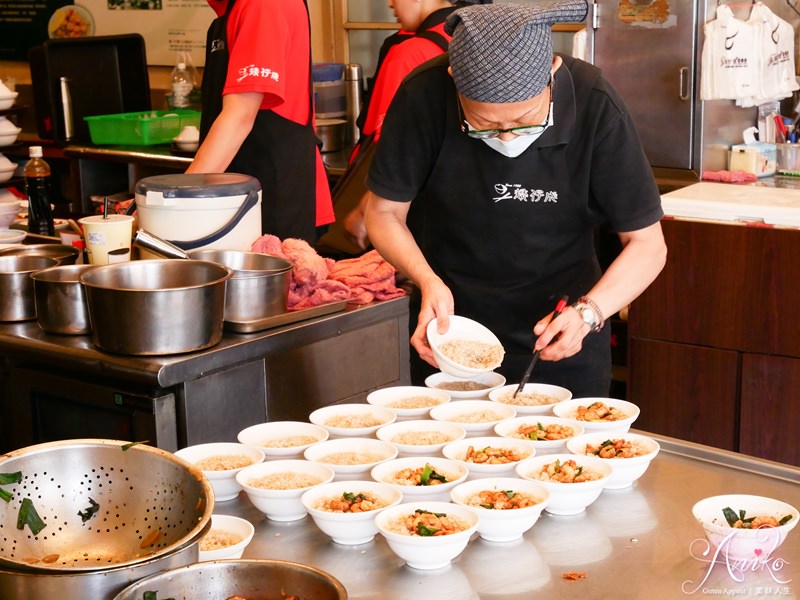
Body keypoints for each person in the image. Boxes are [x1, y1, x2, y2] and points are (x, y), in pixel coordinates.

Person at [364, 1, 668, 397]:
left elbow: (648, 243)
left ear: (553, 74)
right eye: (484, 125)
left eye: (525, 121)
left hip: (564, 331)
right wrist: (426, 280)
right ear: (455, 80)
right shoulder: (424, 94)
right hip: (451, 333)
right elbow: (383, 211)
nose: (507, 137)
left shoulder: (594, 103)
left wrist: (590, 312)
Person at [340, 0, 492, 251]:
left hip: (405, 207)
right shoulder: (477, 40)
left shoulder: (409, 51)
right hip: (466, 203)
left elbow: (390, 145)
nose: (390, 3)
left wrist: (365, 209)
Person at [187, 0, 334, 244]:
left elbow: (239, 117)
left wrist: (176, 200)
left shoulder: (264, 4)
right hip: (246, 194)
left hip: (276, 199)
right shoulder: (229, 11)